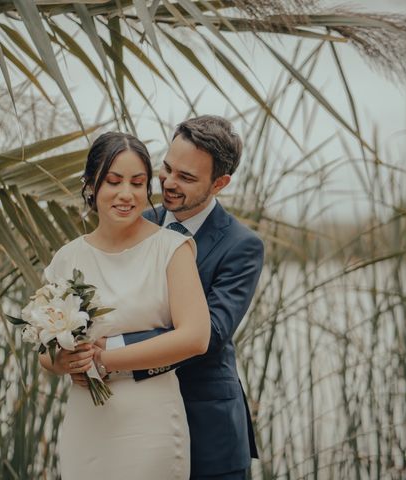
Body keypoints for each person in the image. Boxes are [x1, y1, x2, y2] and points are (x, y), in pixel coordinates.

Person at [71, 116, 264, 479]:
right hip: (133, 426)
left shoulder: (242, 246)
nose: (169, 183)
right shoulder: (137, 221)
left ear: (220, 183)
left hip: (206, 427)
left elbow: (211, 333)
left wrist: (110, 352)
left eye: (187, 178)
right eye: (168, 168)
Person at [39, 131, 211, 479]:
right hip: (86, 421)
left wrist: (105, 360)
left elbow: (196, 337)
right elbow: (45, 353)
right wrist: (65, 361)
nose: (126, 194)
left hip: (151, 422)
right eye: (113, 181)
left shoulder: (172, 248)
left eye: (137, 183)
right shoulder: (67, 258)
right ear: (91, 185)